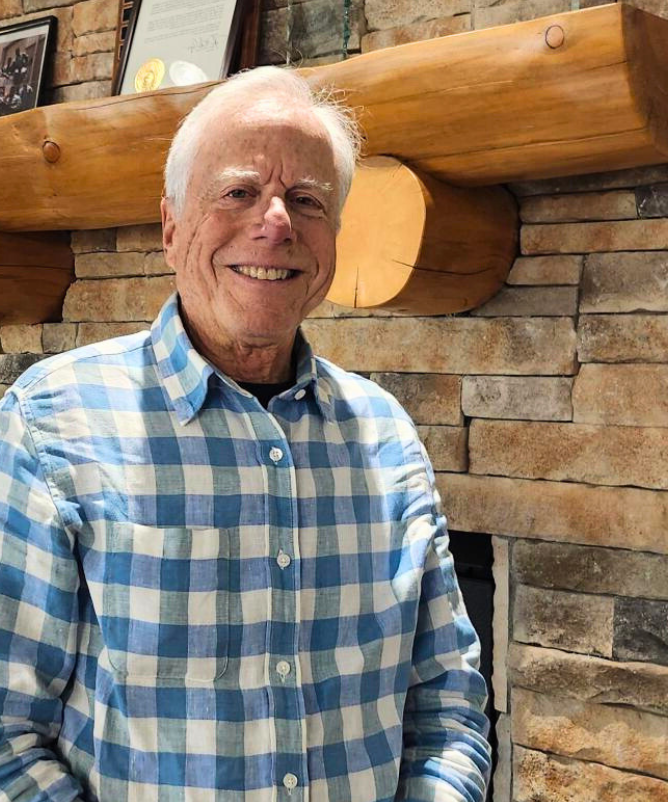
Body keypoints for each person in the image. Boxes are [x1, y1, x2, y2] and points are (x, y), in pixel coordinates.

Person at [0, 66, 490, 801]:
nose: (278, 221)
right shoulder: (50, 423)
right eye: (238, 192)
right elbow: (9, 738)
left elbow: (449, 710)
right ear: (171, 228)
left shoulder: (388, 439)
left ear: (333, 238)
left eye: (307, 200)